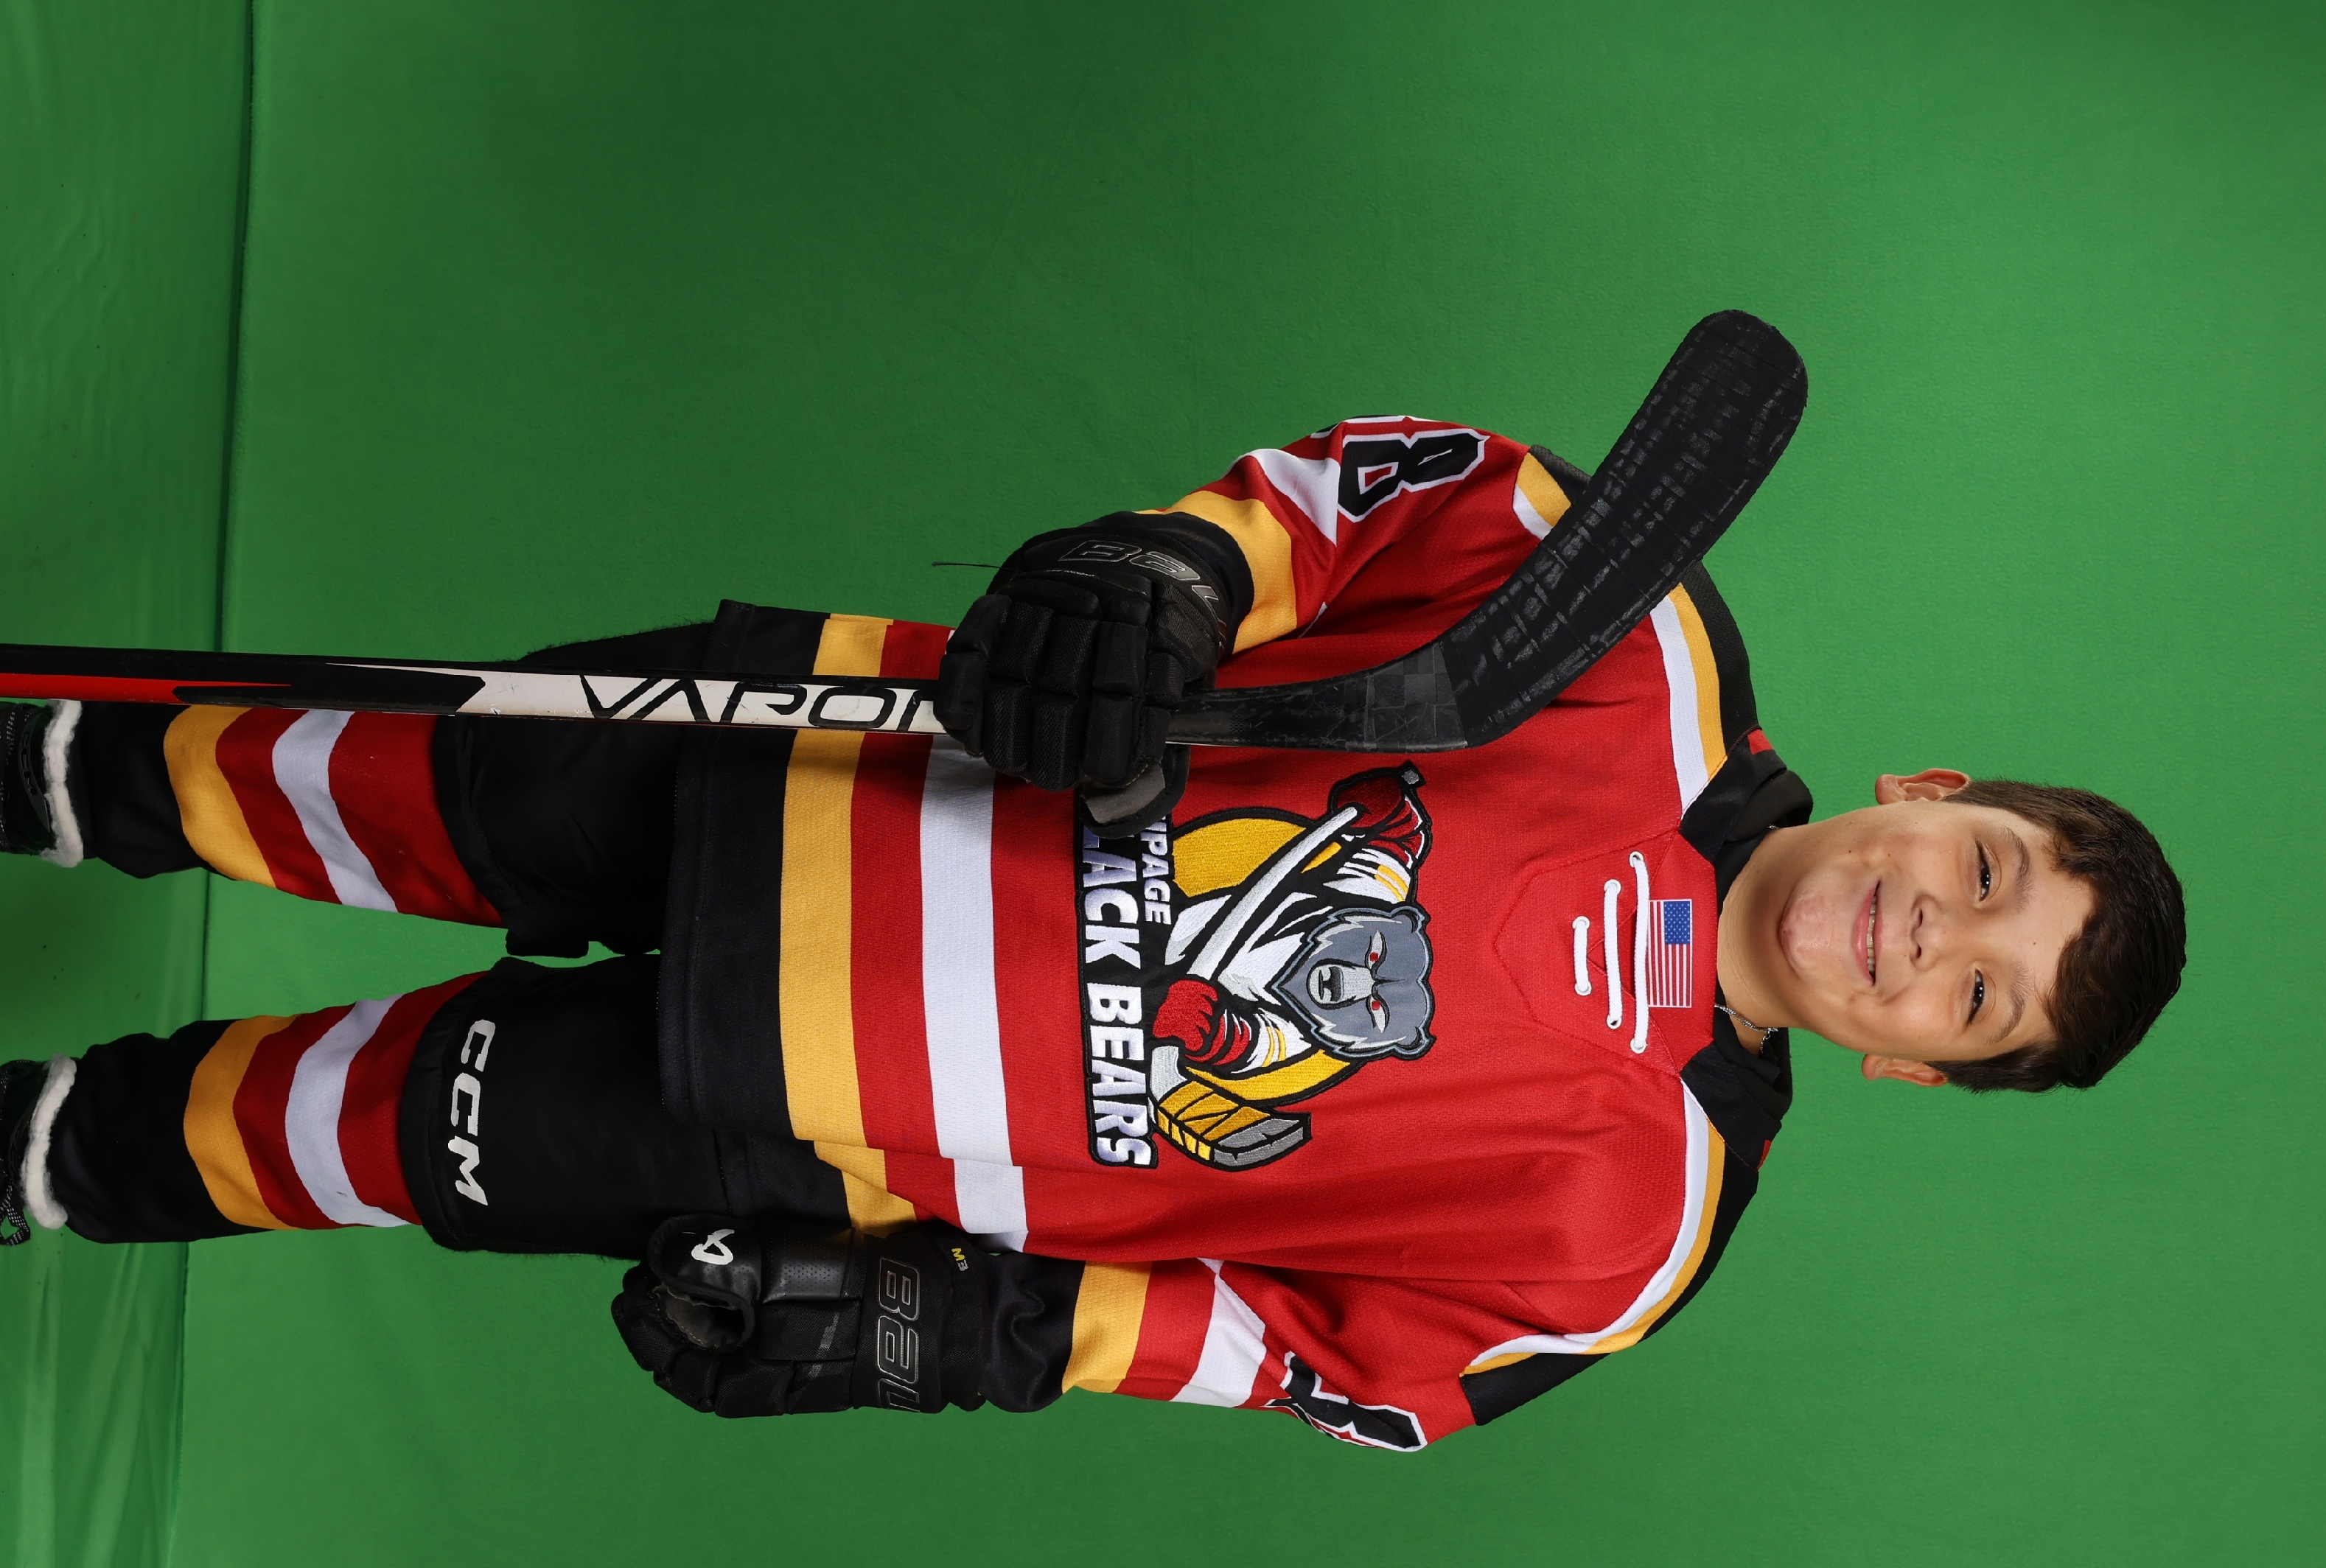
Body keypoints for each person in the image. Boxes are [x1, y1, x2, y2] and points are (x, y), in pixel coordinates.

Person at [0, 416, 2184, 1449]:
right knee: (337, 774)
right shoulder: (1637, 635)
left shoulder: (1626, 1243)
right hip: (817, 765)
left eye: (1972, 1002)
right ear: (1936, 788)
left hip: (816, 1131)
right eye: (1990, 869)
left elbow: (1293, 1347)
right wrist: (1175, 573)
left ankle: (33, 1153)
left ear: (1911, 1065)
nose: (1930, 935)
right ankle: (48, 775)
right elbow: (1380, 498)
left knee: (343, 1134)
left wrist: (972, 1336)